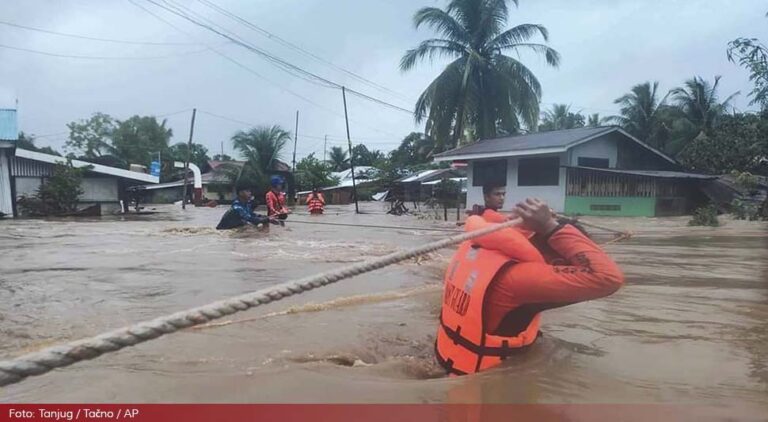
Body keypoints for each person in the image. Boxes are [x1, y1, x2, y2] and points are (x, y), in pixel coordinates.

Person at [435, 195, 624, 376]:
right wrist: (550, 226)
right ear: (558, 262)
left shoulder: (487, 252)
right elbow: (607, 278)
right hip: (490, 385)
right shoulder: (521, 280)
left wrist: (544, 224)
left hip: (449, 361)